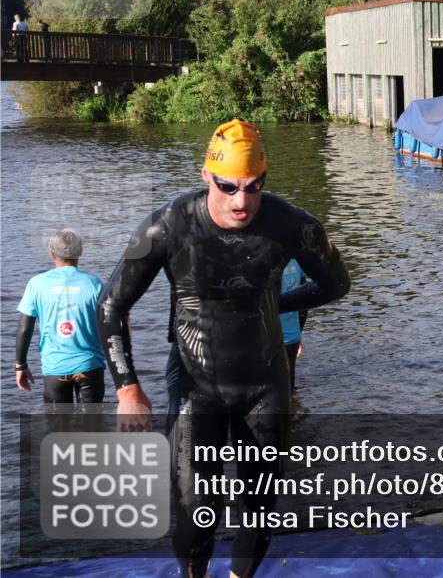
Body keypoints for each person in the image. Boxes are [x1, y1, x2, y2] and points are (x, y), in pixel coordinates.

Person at [97, 119, 351, 578]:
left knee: (259, 505)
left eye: (254, 187)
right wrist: (128, 388)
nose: (241, 201)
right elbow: (111, 306)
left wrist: (272, 304)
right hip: (197, 384)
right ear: (206, 176)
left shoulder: (291, 224)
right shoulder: (167, 225)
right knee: (195, 506)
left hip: (264, 382)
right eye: (228, 186)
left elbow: (336, 284)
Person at [15, 229, 106, 405]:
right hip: (90, 366)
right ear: (80, 252)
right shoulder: (94, 284)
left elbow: (25, 329)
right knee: (92, 422)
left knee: (59, 422)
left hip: (55, 368)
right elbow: (111, 325)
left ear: (52, 254)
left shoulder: (37, 284)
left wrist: (21, 365)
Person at [280, 258, 309, 393]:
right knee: (290, 387)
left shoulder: (264, 259)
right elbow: (304, 304)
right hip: (292, 334)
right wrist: (299, 332)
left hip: (267, 333)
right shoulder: (297, 261)